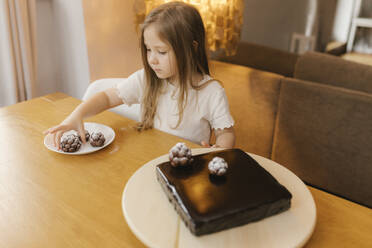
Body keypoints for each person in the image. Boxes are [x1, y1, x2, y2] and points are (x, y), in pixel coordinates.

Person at [44, 1, 235, 149]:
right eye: (148, 49)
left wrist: (219, 148)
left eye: (161, 52)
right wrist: (77, 115)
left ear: (191, 49)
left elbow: (225, 133)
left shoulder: (212, 92)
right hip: (146, 159)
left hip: (186, 169)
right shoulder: (147, 79)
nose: (152, 59)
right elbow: (107, 97)